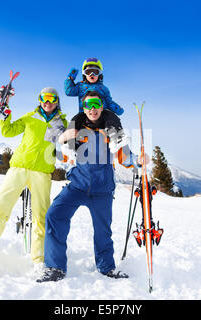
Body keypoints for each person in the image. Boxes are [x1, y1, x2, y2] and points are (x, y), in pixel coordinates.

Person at [36, 91, 148, 282]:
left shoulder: (112, 131)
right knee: (55, 215)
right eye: (88, 105)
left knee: (103, 231)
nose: (92, 109)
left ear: (102, 106)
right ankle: (55, 268)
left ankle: (106, 267)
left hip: (102, 190)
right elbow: (62, 157)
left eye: (96, 104)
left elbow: (125, 157)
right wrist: (62, 139)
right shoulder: (77, 129)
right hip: (77, 186)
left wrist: (139, 161)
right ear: (84, 108)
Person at [0, 87, 68, 271]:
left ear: (57, 101)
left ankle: (40, 260)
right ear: (39, 100)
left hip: (42, 173)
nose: (47, 101)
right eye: (43, 98)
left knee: (41, 217)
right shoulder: (30, 117)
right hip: (19, 168)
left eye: (52, 98)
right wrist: (5, 113)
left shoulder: (62, 123)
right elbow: (8, 132)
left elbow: (64, 147)